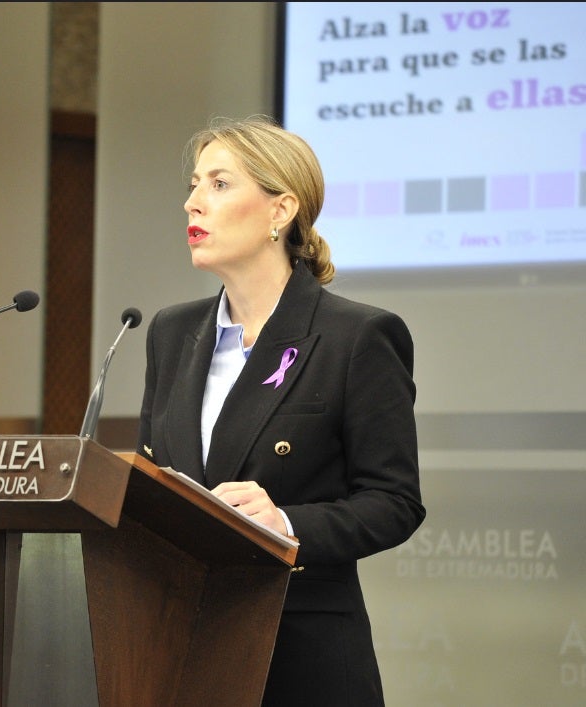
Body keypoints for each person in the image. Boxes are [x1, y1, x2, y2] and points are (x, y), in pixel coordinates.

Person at [136, 115, 425, 706]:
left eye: (218, 184)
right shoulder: (171, 332)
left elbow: (394, 502)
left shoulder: (357, 336)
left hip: (302, 659)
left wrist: (286, 523)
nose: (192, 203)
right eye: (193, 184)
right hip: (179, 648)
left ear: (280, 210)